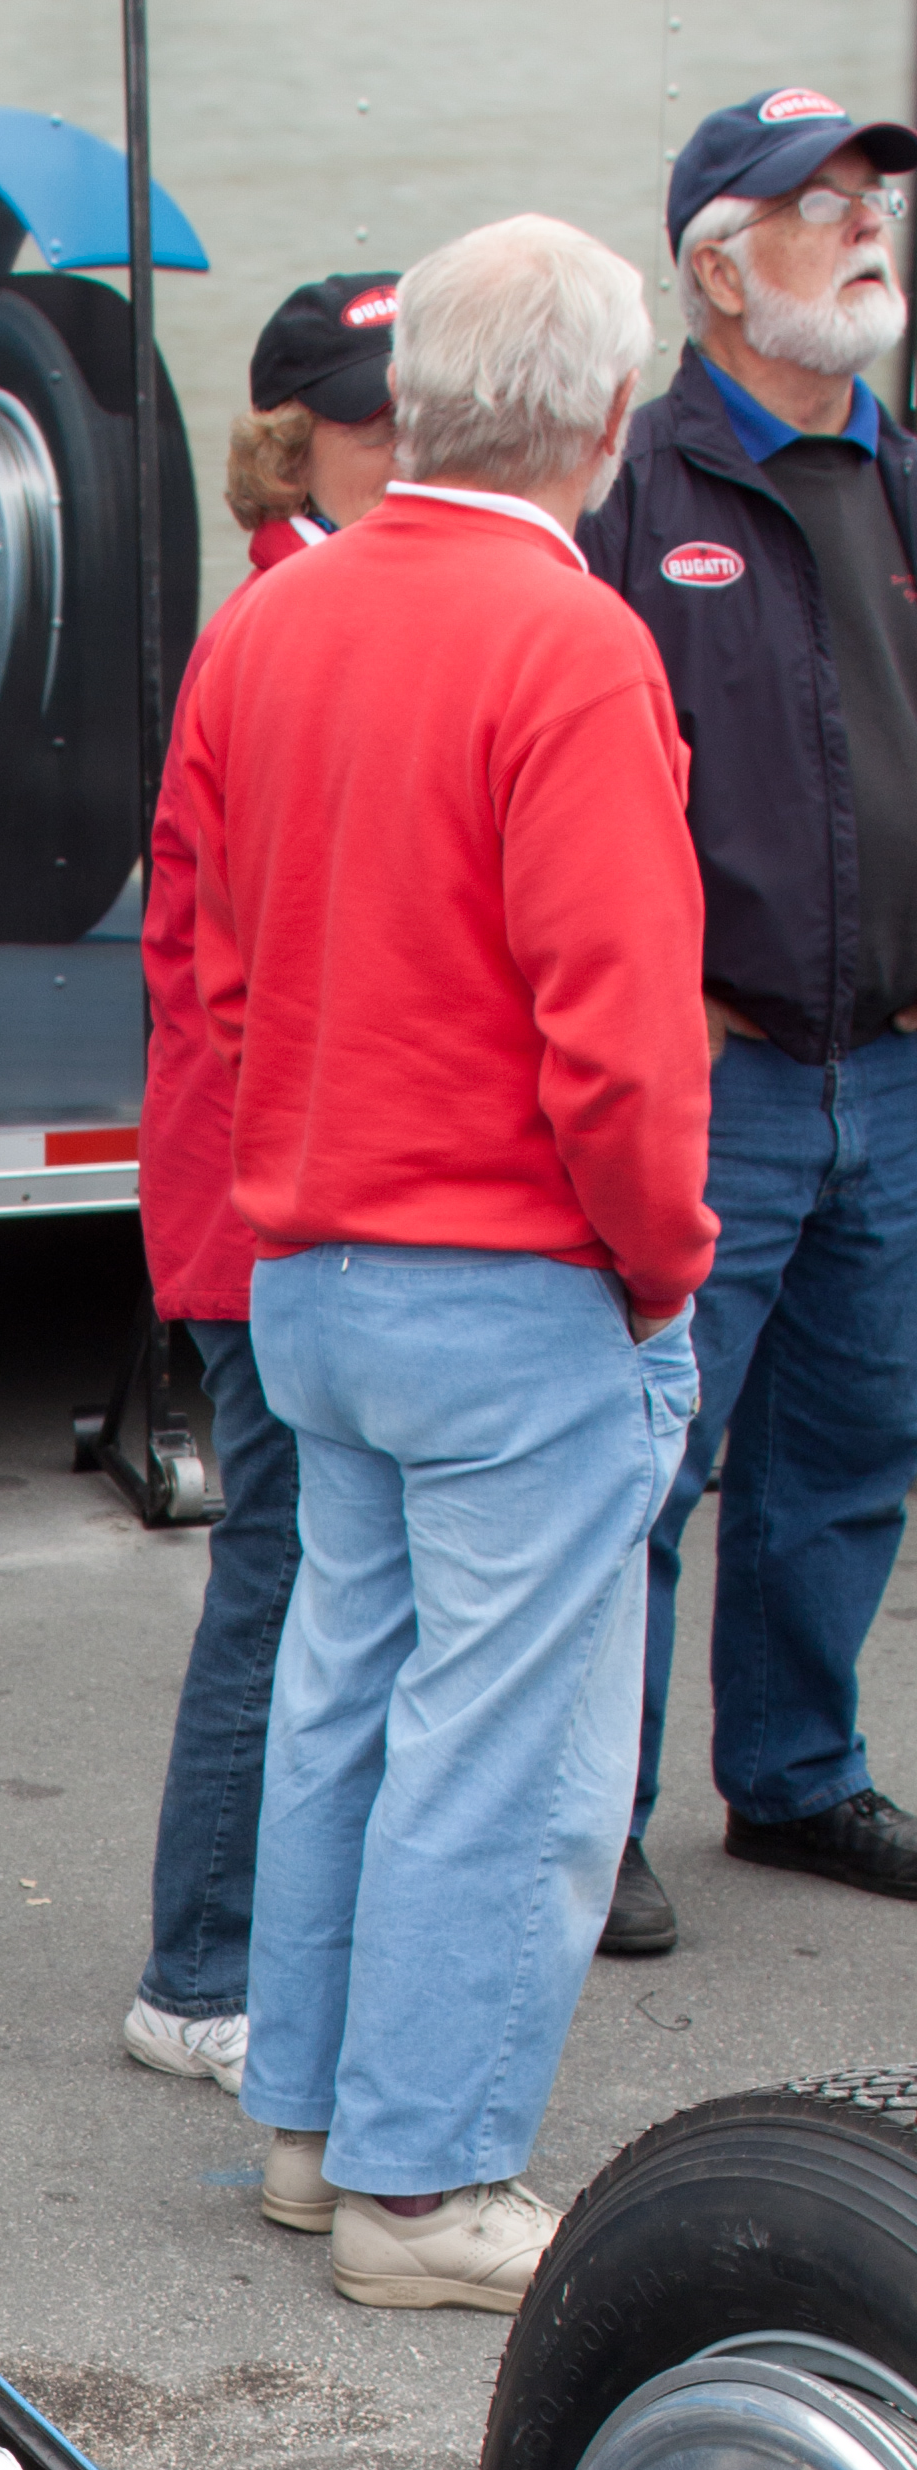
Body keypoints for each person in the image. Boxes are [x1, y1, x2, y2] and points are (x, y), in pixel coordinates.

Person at [178, 217, 714, 2316]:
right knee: (519, 1751)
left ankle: (319, 2137)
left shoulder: (280, 625)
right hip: (515, 1281)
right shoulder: (572, 646)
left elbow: (220, 974)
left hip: (316, 1264)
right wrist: (660, 1263)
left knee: (346, 1703)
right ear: (607, 416)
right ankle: (430, 2190)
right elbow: (622, 1027)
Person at [581, 91, 917, 1954]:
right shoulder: (635, 493)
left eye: (874, 196)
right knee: (651, 1457)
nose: (867, 225)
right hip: (713, 1072)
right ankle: (596, 1811)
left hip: (891, 1060)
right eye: (822, 203)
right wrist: (652, 988)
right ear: (719, 264)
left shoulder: (899, 472)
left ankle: (792, 1776)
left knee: (851, 1444)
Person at [127, 271, 408, 2096]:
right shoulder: (299, 621)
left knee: (315, 1577)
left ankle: (258, 1944)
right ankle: (204, 1967)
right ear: (294, 436)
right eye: (380, 416)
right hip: (267, 1195)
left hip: (283, 1183)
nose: (413, 444)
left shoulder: (325, 606)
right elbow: (236, 968)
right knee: (291, 1578)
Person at [225, 269, 405, 574]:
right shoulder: (270, 619)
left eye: (444, 422)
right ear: (286, 456)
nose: (423, 456)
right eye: (385, 423)